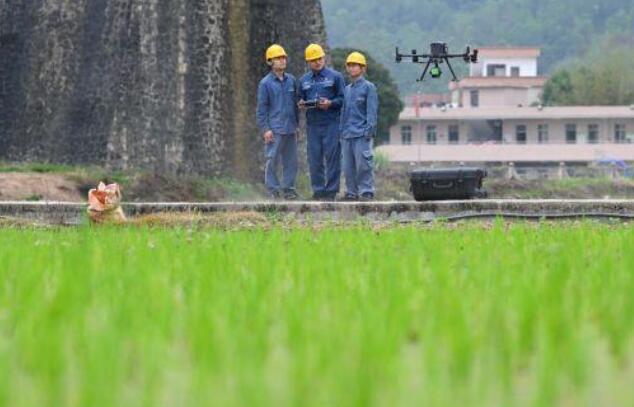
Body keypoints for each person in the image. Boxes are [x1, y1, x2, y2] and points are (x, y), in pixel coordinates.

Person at [298, 44, 345, 201]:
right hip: (313, 124)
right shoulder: (303, 80)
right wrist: (302, 104)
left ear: (323, 58)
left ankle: (331, 191)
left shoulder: (335, 77)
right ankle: (318, 190)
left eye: (319, 59)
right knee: (314, 158)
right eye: (313, 60)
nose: (317, 62)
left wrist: (330, 103)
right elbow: (300, 99)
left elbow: (343, 99)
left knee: (332, 157)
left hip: (331, 122)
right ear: (308, 62)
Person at [256, 44, 300, 200]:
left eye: (283, 58)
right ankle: (273, 191)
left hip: (290, 128)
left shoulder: (292, 81)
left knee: (292, 161)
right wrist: (265, 129)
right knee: (272, 160)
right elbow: (262, 109)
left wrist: (297, 126)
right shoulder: (265, 83)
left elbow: (295, 105)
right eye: (278, 58)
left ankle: (288, 190)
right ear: (270, 62)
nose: (282, 61)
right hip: (274, 129)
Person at [339, 51, 378, 201]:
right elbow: (343, 111)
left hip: (362, 134)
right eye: (350, 65)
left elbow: (372, 111)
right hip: (347, 134)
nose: (352, 68)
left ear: (363, 68)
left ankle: (367, 191)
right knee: (348, 167)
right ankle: (351, 192)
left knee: (363, 165)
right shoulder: (347, 89)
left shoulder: (369, 87)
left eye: (356, 65)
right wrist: (341, 131)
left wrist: (369, 132)